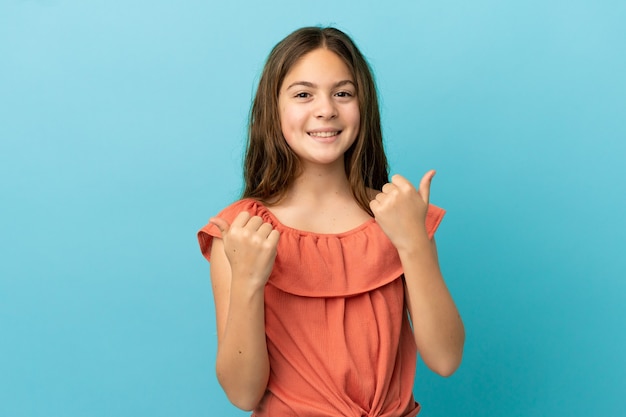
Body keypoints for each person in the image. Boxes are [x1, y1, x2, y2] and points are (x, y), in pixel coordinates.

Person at [197, 26, 465, 417]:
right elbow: (242, 394)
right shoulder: (241, 231)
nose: (326, 109)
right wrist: (249, 284)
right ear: (274, 109)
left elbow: (446, 359)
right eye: (304, 94)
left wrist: (413, 243)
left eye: (343, 93)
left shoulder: (398, 216)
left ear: (363, 106)